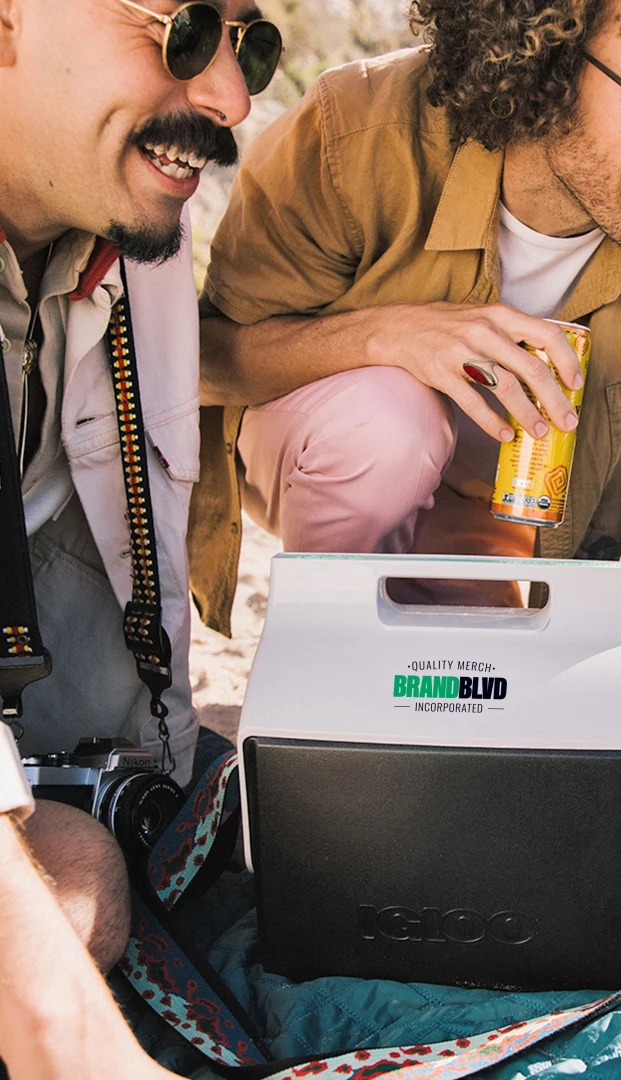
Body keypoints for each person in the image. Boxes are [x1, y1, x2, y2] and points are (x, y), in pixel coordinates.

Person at [190, 0, 621, 629]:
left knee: (481, 697)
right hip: (318, 457)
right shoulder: (352, 129)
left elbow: (609, 480)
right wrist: (389, 336)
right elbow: (203, 363)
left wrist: (569, 646)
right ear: (542, 57)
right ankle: (324, 647)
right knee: (388, 420)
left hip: (490, 515)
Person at [0, 0, 279, 1074]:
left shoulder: (135, 236)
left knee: (82, 872)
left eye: (251, 43)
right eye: (183, 28)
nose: (230, 95)